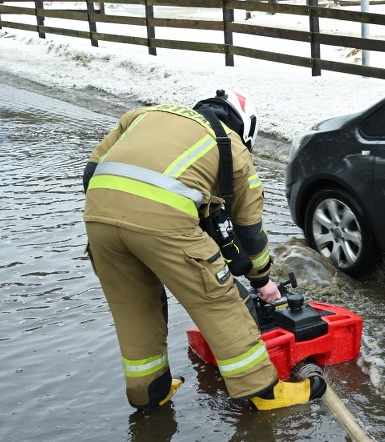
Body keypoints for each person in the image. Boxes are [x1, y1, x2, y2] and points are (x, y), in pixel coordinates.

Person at [81, 89, 325, 412]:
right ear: (244, 129)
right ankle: (265, 392)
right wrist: (262, 280)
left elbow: (91, 172)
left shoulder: (144, 115)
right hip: (165, 219)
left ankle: (150, 392)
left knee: (135, 307)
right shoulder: (234, 148)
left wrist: (126, 222)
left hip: (98, 217)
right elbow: (249, 232)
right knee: (219, 300)